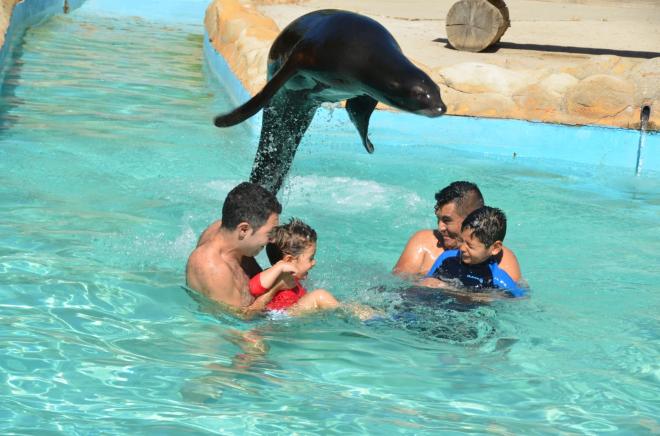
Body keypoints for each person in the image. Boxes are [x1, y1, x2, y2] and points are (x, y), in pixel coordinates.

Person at [185, 182, 282, 316]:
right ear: (243, 230)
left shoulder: (228, 231)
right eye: (269, 233)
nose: (273, 240)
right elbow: (237, 326)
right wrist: (277, 288)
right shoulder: (213, 269)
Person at [393, 181, 522, 282]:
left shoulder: (503, 260)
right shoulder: (423, 242)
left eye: (447, 220)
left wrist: (449, 289)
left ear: (471, 219)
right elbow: (396, 286)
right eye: (438, 219)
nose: (440, 227)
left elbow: (507, 303)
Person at [418, 206, 525, 298]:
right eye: (462, 241)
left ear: (495, 248)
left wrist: (449, 289)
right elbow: (425, 282)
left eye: (470, 245)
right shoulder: (446, 259)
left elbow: (520, 300)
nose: (462, 248)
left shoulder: (497, 279)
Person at [249, 218, 340, 315]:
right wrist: (280, 267)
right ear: (289, 260)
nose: (314, 262)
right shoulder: (273, 276)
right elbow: (253, 288)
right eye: (310, 258)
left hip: (287, 316)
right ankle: (347, 314)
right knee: (320, 296)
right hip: (280, 319)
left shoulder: (293, 277)